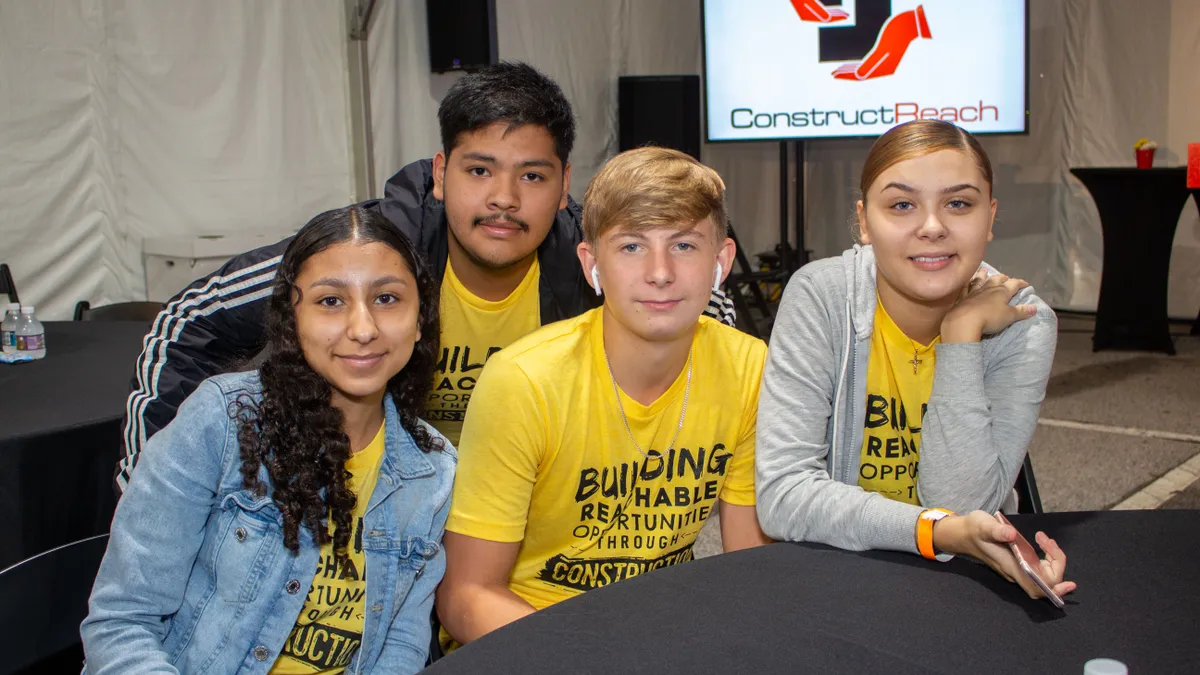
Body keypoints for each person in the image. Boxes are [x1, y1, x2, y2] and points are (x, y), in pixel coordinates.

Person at [116, 61, 738, 492]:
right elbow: (187, 320)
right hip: (393, 504)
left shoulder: (595, 260)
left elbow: (712, 309)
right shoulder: (376, 250)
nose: (503, 199)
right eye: (479, 171)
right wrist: (160, 493)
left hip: (541, 507)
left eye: (532, 175)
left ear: (565, 183)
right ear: (441, 174)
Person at [82, 204, 455, 674]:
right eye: (330, 301)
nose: (363, 329)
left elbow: (400, 646)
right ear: (291, 319)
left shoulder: (433, 470)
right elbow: (122, 623)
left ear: (421, 319)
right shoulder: (221, 421)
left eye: (387, 299)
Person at [436, 147, 772, 647]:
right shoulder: (524, 381)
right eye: (632, 247)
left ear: (721, 261)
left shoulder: (750, 368)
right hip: (532, 637)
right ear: (592, 265)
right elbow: (467, 595)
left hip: (669, 631)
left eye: (683, 246)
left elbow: (750, 571)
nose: (660, 272)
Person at [755, 119, 1076, 601]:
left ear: (990, 217)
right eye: (902, 205)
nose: (932, 227)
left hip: (959, 582)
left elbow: (964, 506)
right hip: (839, 564)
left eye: (959, 204)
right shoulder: (823, 296)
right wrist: (934, 531)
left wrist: (960, 339)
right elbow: (783, 496)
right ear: (864, 221)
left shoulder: (1025, 323)